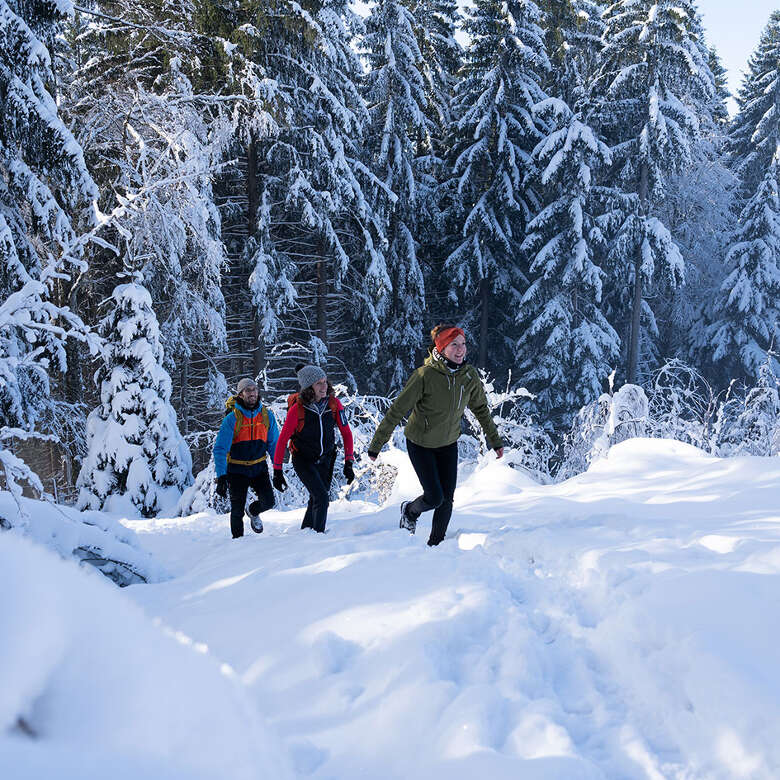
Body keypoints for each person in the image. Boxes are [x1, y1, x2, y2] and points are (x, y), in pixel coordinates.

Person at [367, 325, 504, 546]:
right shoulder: (424, 376)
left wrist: (494, 440)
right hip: (420, 443)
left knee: (447, 500)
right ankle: (410, 511)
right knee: (434, 497)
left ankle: (435, 545)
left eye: (463, 344)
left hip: (448, 444)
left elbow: (480, 409)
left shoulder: (469, 376)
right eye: (454, 345)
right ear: (441, 348)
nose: (461, 350)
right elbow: (397, 410)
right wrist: (377, 444)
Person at [273, 364, 355, 533]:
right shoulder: (298, 410)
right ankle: (318, 538)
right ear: (309, 387)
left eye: (325, 382)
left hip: (326, 458)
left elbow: (346, 433)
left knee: (316, 498)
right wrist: (277, 471)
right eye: (318, 383)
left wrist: (348, 461)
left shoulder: (334, 404)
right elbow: (282, 441)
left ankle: (306, 534)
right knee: (322, 498)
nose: (324, 387)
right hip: (303, 459)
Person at [213, 378, 279, 539]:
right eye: (247, 390)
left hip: (259, 467)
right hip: (236, 469)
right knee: (236, 510)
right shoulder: (232, 418)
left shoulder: (266, 416)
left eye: (254, 389)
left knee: (269, 502)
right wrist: (221, 476)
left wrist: (278, 469)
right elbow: (220, 449)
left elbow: (274, 444)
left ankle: (253, 511)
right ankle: (238, 543)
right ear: (240, 395)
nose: (252, 393)